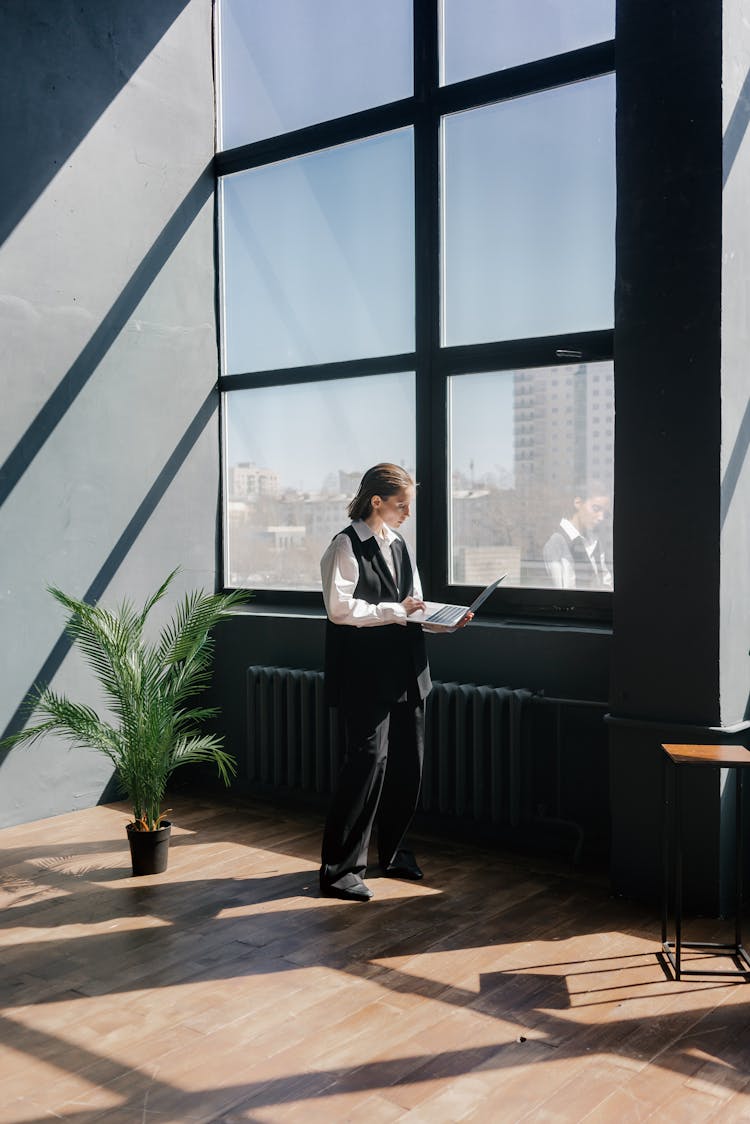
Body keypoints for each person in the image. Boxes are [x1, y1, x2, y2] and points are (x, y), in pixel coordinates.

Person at [319, 463, 470, 902]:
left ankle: (395, 853)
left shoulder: (400, 544)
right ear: (377, 501)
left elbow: (413, 608)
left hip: (409, 671)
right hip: (366, 675)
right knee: (366, 765)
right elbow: (339, 610)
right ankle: (339, 871)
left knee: (409, 765)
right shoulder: (344, 546)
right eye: (401, 505)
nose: (407, 513)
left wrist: (443, 621)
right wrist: (395, 610)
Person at [543, 485, 612, 590]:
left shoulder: (595, 542)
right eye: (596, 508)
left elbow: (607, 584)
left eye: (605, 513)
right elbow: (562, 594)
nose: (601, 517)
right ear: (578, 503)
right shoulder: (557, 542)